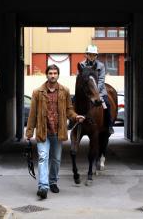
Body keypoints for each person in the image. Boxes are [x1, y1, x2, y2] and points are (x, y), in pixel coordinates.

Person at [26, 64, 85, 199]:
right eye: (50, 73)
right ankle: (43, 187)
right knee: (42, 157)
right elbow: (32, 114)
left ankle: (53, 181)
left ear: (58, 75)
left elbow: (69, 110)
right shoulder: (37, 92)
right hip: (43, 131)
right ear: (46, 75)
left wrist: (76, 116)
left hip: (58, 132)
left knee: (56, 160)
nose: (52, 75)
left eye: (55, 73)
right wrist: (29, 133)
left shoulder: (64, 91)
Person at [78, 44, 114, 134]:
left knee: (107, 105)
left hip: (99, 91)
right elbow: (79, 79)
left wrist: (95, 91)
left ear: (96, 55)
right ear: (86, 55)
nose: (92, 56)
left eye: (94, 54)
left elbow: (101, 79)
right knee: (74, 101)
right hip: (85, 91)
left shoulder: (101, 66)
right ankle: (72, 122)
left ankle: (109, 125)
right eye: (90, 54)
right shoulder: (81, 65)